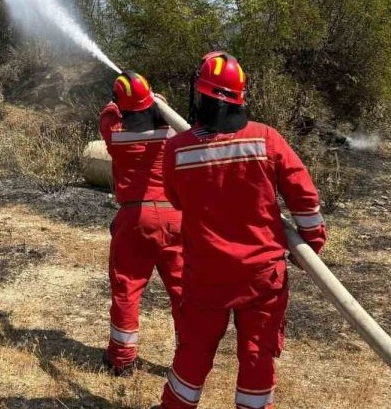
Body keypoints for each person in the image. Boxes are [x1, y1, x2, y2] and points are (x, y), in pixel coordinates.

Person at [156, 52, 326, 409]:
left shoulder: (176, 150)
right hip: (262, 278)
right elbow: (305, 196)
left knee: (193, 356)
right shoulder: (267, 139)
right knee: (257, 359)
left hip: (207, 277)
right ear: (240, 96)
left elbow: (176, 198)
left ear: (201, 95)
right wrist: (311, 243)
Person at [99, 70, 184, 377]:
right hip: (177, 218)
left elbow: (109, 113)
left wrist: (118, 101)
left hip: (136, 219)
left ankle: (121, 360)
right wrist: (156, 101)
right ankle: (188, 360)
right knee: (182, 293)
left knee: (127, 289)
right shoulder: (173, 132)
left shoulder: (116, 133)